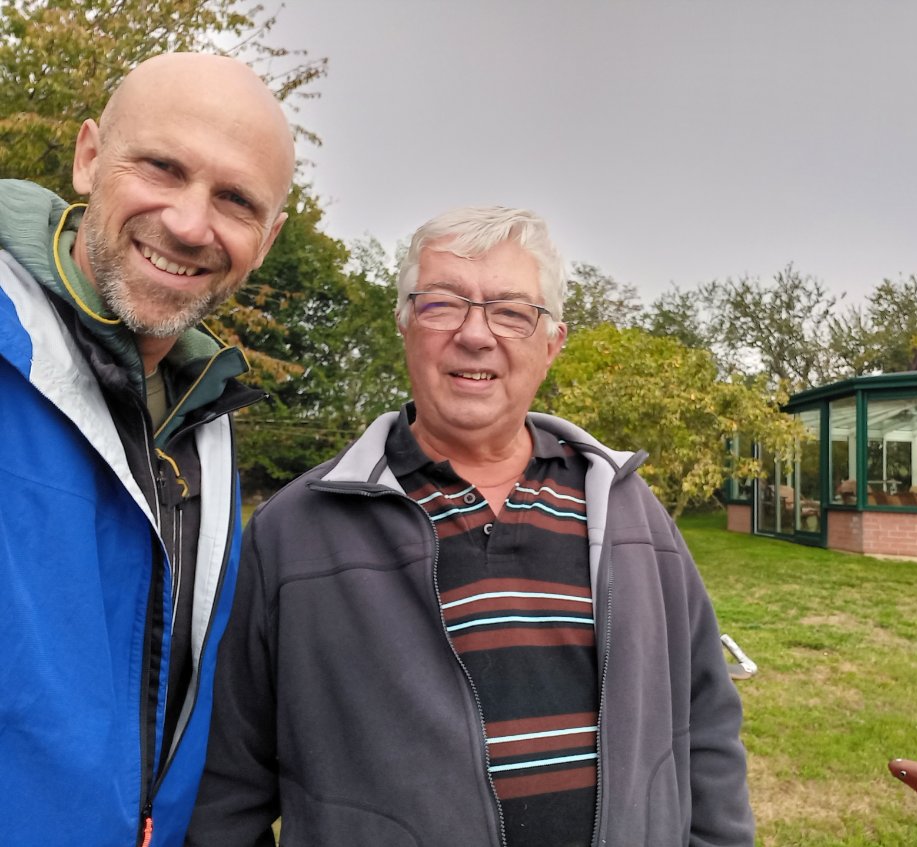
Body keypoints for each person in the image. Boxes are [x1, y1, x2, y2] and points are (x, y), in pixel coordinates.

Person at [188, 206, 756, 846]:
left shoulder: (631, 513)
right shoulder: (293, 533)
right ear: (404, 324)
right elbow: (225, 789)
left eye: (512, 311)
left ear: (552, 343)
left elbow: (704, 726)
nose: (476, 334)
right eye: (442, 304)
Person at [0, 53, 294, 847]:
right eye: (162, 167)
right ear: (89, 156)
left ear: (266, 239)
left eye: (235, 199)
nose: (191, 224)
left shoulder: (206, 424)